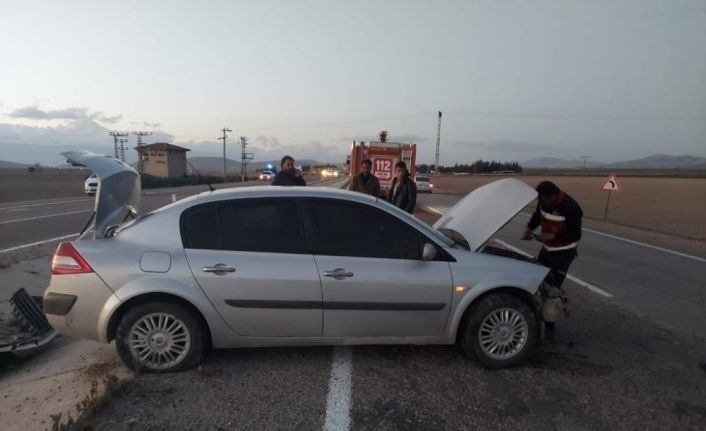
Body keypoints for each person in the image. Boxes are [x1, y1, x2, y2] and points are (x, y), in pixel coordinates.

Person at [522, 180, 583, 340]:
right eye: (539, 200)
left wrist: (552, 236)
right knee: (539, 282)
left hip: (564, 252)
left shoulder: (571, 207)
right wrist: (529, 229)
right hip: (547, 249)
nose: (541, 203)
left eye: (543, 200)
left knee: (553, 290)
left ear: (553, 196)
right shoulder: (543, 202)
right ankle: (538, 320)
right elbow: (537, 215)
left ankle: (550, 329)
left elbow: (575, 234)